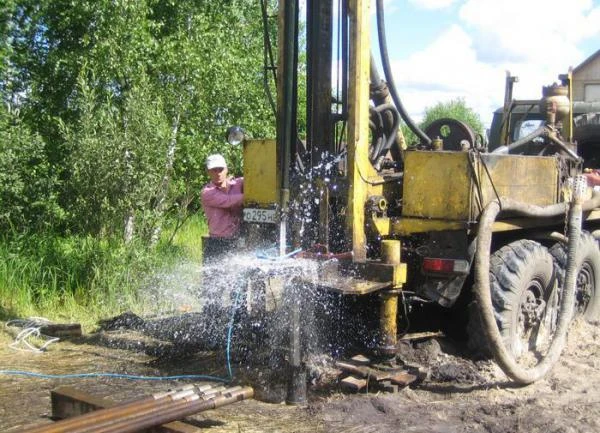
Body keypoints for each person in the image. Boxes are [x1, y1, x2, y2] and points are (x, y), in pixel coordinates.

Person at [201, 154, 244, 262]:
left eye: (221, 169)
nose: (218, 173)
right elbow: (228, 201)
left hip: (238, 239)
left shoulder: (238, 183)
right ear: (208, 171)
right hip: (218, 242)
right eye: (214, 170)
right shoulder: (207, 193)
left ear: (226, 169)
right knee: (214, 276)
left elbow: (256, 178)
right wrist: (251, 195)